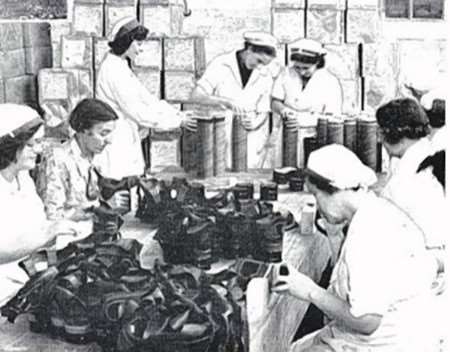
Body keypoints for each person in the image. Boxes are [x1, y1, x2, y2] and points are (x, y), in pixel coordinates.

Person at [272, 144, 438, 351]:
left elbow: (367, 321)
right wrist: (334, 236)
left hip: (386, 343)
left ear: (334, 190)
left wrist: (309, 290)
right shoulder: (377, 210)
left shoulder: (368, 233)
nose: (317, 207)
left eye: (316, 196)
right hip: (410, 334)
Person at [96, 17, 196, 179]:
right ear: (126, 42)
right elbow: (140, 113)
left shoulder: (120, 65)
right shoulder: (113, 71)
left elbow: (147, 99)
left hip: (126, 141)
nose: (140, 49)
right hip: (116, 148)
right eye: (138, 43)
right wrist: (177, 121)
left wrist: (178, 114)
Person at [0, 104, 76, 305]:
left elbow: (38, 224)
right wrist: (48, 233)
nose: (39, 149)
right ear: (10, 146)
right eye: (32, 144)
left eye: (40, 142)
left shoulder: (22, 177)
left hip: (22, 276)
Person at [190, 31, 280, 168]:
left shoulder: (265, 73)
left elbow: (264, 109)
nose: (260, 67)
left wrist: (255, 123)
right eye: (259, 61)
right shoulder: (221, 64)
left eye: (264, 64)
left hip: (250, 138)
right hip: (221, 132)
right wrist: (226, 102)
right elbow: (196, 95)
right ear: (249, 49)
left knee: (247, 178)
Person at [37, 99, 129, 228]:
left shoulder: (95, 157)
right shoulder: (58, 159)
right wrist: (98, 209)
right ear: (83, 130)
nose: (109, 141)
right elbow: (52, 217)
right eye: (103, 133)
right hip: (68, 238)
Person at [376, 98, 445, 255]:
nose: (379, 139)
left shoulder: (405, 180)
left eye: (381, 133)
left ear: (393, 134)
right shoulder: (428, 151)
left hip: (428, 257)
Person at [271, 38, 343, 127]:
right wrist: (283, 110)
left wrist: (303, 121)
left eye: (306, 68)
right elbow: (275, 101)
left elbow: (332, 116)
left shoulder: (330, 82)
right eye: (297, 67)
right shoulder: (285, 74)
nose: (301, 72)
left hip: (314, 132)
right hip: (286, 130)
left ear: (318, 63)